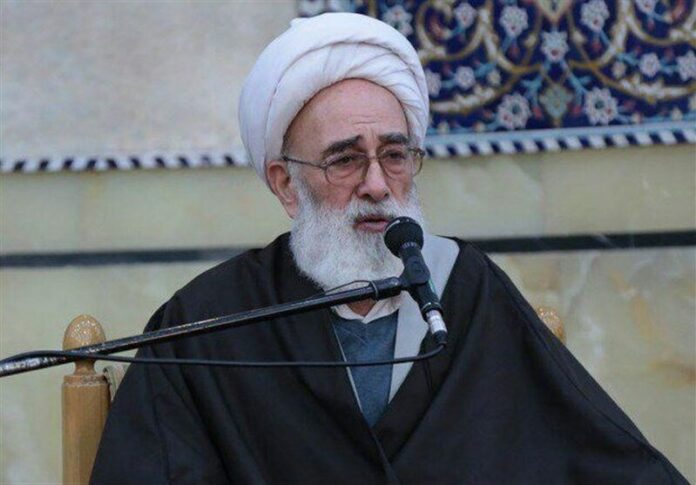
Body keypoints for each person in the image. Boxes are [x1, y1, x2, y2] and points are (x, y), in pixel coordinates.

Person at [91, 13, 687, 484]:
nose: (377, 185)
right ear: (286, 184)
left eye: (395, 155)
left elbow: (595, 457)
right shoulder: (207, 322)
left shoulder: (466, 288)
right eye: (346, 159)